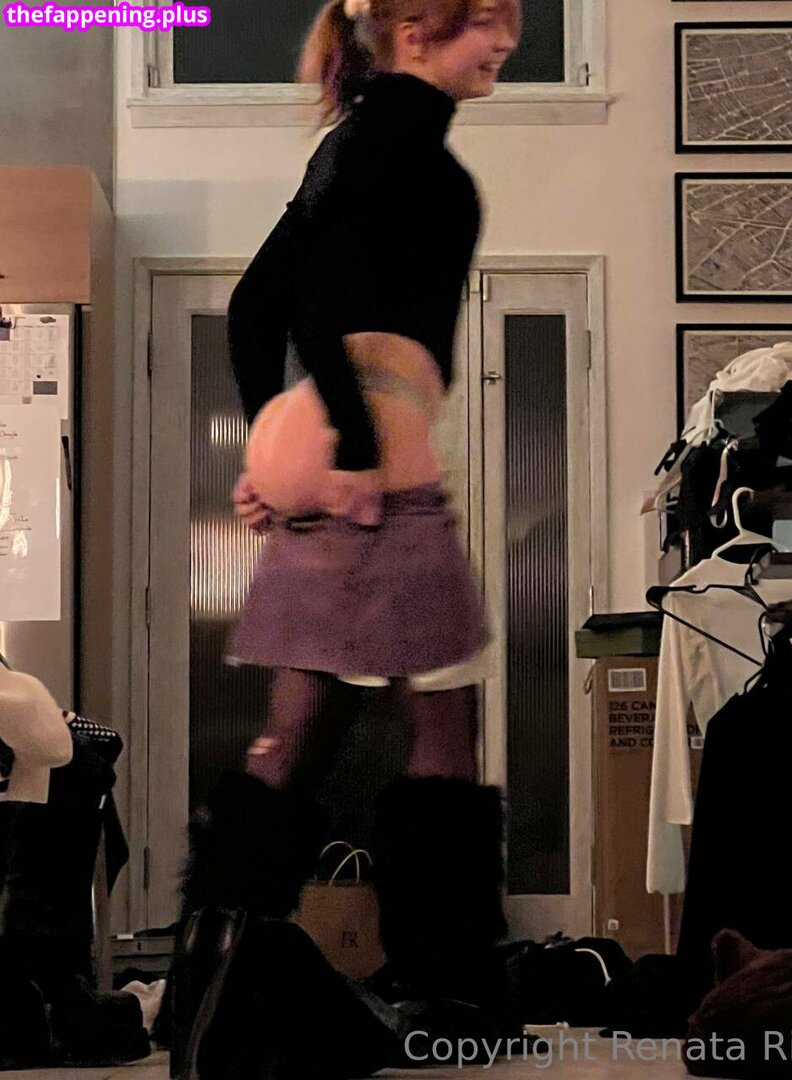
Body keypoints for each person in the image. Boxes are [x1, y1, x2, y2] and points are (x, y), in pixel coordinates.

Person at [169, 2, 524, 1076]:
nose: (507, 40)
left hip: (328, 464)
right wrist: (357, 453)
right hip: (382, 482)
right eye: (486, 22)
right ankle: (448, 984)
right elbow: (313, 309)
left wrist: (271, 448)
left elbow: (255, 305)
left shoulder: (350, 142)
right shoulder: (402, 149)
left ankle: (208, 976)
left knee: (296, 731)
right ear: (416, 31)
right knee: (441, 730)